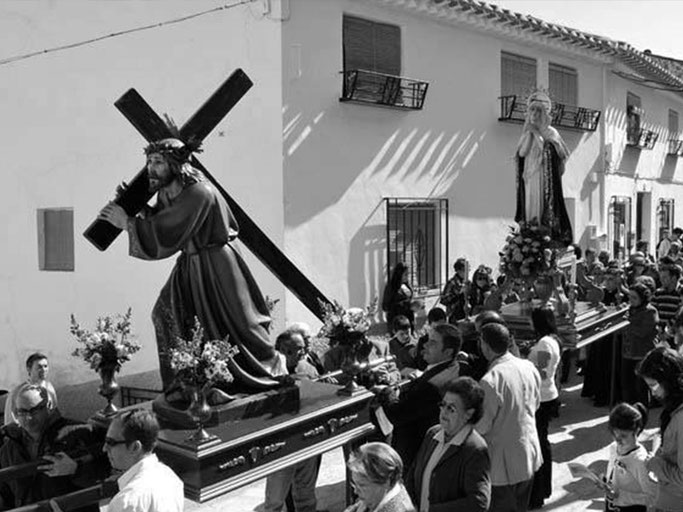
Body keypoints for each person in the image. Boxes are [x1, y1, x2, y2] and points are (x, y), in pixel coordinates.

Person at [98, 137, 277, 390]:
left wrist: (126, 223)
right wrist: (140, 214)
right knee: (166, 313)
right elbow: (165, 221)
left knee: (239, 325)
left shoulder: (199, 192)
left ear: (175, 164)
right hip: (192, 263)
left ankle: (264, 366)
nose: (151, 168)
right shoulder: (169, 191)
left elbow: (170, 230)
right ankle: (189, 381)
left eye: (158, 162)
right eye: (149, 162)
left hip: (217, 264)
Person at [0, 386, 106, 510]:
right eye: (22, 412)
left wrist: (76, 470)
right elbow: (5, 494)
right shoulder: (8, 448)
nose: (28, 417)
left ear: (49, 406)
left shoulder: (79, 433)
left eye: (34, 410)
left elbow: (102, 477)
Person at [378, 324, 467, 470]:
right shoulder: (454, 367)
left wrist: (387, 391)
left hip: (416, 456)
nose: (425, 345)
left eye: (433, 342)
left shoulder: (432, 385)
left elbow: (397, 414)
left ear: (448, 351)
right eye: (427, 339)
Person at [476, 323, 542, 512]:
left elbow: (482, 426)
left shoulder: (491, 380)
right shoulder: (528, 366)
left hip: (502, 465)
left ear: (485, 346)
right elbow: (536, 405)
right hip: (528, 454)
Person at [406, 377, 491, 512]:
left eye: (451, 408)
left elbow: (478, 502)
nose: (443, 412)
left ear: (469, 414)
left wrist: (432, 510)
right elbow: (413, 473)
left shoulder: (475, 449)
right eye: (443, 405)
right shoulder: (432, 434)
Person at [265, 331, 321, 512]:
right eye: (299, 350)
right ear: (284, 350)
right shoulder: (266, 373)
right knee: (275, 501)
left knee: (306, 496)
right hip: (281, 445)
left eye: (304, 349)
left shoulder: (308, 368)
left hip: (307, 438)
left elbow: (319, 395)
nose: (303, 353)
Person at [514, 89, 573, 245]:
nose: (534, 113)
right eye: (531, 109)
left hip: (544, 177)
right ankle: (530, 229)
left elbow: (559, 152)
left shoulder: (551, 132)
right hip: (529, 175)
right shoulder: (527, 133)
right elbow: (521, 153)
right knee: (530, 202)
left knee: (542, 201)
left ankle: (543, 229)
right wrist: (531, 133)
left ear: (544, 113)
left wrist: (539, 136)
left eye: (538, 110)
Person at [104, 408, 184, 512]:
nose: (104, 448)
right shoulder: (171, 478)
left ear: (135, 447)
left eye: (111, 442)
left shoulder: (125, 502)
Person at [637, 348, 683, 511]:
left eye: (653, 385)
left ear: (668, 380)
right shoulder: (673, 409)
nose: (652, 392)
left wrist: (655, 464)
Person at [527, 307, 562, 509]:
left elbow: (540, 373)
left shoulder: (545, 343)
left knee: (539, 444)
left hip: (542, 397)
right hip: (545, 395)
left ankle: (538, 491)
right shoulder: (549, 340)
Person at [600, 402, 655, 512]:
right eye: (615, 434)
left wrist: (620, 495)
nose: (618, 439)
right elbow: (613, 474)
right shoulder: (613, 448)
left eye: (623, 435)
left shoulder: (640, 461)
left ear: (637, 430)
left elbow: (651, 497)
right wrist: (604, 480)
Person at [344, 443, 415, 512]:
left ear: (386, 482)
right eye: (354, 484)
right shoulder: (379, 496)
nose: (355, 491)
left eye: (362, 485)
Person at [622, 283, 659, 406]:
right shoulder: (630, 310)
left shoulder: (650, 311)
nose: (630, 300)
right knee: (628, 385)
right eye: (630, 297)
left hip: (642, 354)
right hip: (628, 353)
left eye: (634, 298)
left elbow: (643, 332)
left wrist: (627, 323)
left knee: (641, 388)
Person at [4, 352, 58, 425]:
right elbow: (11, 420)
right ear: (29, 369)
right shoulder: (17, 392)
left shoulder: (49, 387)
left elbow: (54, 412)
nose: (43, 369)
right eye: (39, 367)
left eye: (45, 366)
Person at [652, 264, 683, 348]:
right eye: (661, 277)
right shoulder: (658, 293)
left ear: (673, 278)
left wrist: (668, 331)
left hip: (677, 337)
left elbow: (679, 315)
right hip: (660, 335)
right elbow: (653, 311)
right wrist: (658, 330)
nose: (661, 280)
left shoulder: (681, 292)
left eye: (664, 277)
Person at [382, 263, 415, 332]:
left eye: (408, 274)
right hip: (397, 323)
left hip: (408, 320)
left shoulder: (407, 285)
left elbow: (410, 298)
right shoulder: (391, 287)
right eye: (405, 274)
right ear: (399, 274)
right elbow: (386, 306)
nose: (407, 277)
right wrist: (406, 304)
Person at [439, 258, 470, 323]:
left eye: (468, 270)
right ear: (458, 270)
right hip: (455, 315)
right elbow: (444, 299)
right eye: (465, 270)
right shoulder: (452, 282)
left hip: (467, 312)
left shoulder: (468, 282)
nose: (467, 273)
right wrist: (458, 293)